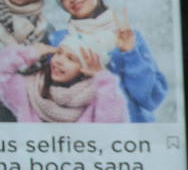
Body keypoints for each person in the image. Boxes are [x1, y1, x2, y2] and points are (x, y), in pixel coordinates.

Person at [50, 0, 166, 122]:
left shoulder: (128, 36)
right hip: (81, 141)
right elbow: (51, 97)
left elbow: (150, 99)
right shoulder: (59, 41)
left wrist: (130, 54)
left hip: (133, 139)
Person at [0, 41, 128, 123]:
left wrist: (105, 79)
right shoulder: (30, 87)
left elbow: (111, 129)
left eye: (71, 59)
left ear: (84, 70)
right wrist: (30, 53)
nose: (59, 61)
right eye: (59, 53)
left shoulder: (97, 99)